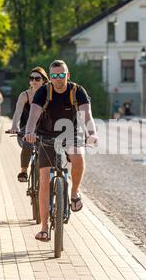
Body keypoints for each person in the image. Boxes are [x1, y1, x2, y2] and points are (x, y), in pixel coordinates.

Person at [25, 60, 99, 242]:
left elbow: (86, 115)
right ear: (50, 77)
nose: (58, 79)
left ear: (68, 75)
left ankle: (74, 193)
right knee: (44, 181)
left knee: (78, 156)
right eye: (54, 76)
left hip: (70, 133)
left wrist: (92, 134)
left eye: (62, 75)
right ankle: (43, 228)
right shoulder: (44, 91)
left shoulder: (77, 91)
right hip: (45, 136)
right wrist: (29, 132)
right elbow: (34, 114)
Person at [9, 67, 49, 182]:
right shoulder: (24, 95)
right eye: (31, 78)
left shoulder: (49, 96)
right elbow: (18, 112)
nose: (34, 81)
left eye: (37, 78)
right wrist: (14, 126)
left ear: (44, 81)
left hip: (44, 131)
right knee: (28, 142)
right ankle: (24, 171)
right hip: (25, 130)